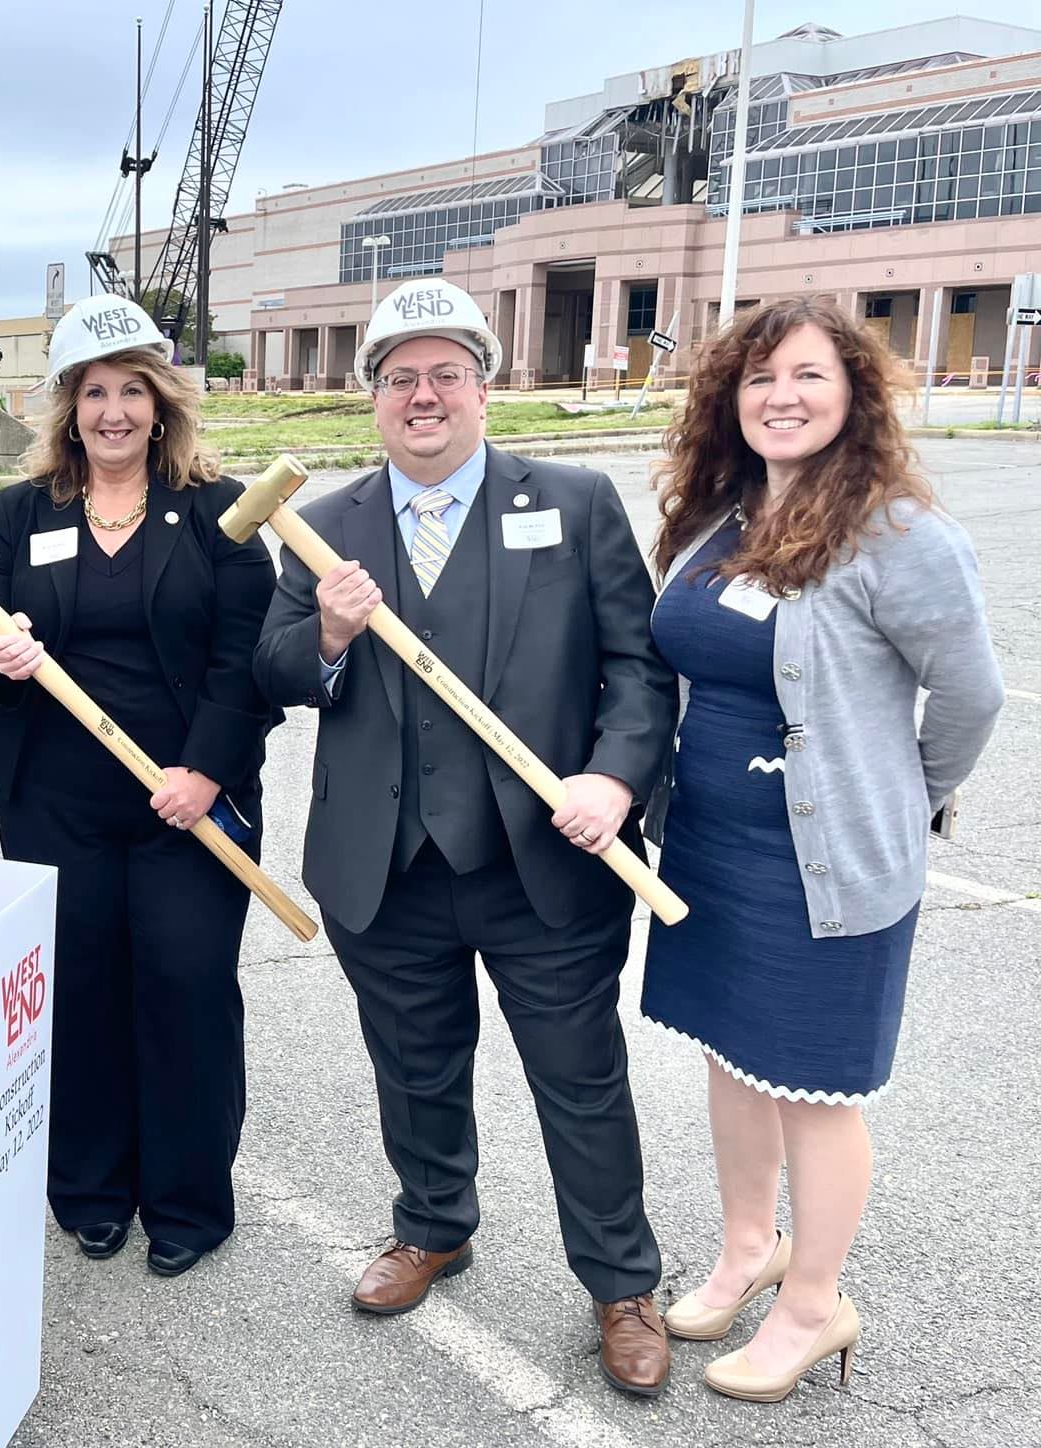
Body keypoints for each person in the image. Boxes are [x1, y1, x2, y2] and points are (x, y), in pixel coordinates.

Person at [253, 279, 678, 1396]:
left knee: (578, 1080)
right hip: (382, 865)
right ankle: (433, 1223)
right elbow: (274, 667)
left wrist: (613, 776)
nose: (423, 395)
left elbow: (636, 669)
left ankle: (620, 1282)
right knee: (413, 1064)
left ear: (483, 388)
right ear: (373, 400)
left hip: (543, 862)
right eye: (400, 378)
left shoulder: (575, 501)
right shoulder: (324, 524)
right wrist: (330, 634)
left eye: (445, 372)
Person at [641, 297, 1003, 1402]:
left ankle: (814, 1299)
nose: (779, 397)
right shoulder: (721, 512)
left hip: (825, 862)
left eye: (804, 375)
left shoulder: (897, 532)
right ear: (726, 398)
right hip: (707, 842)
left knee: (811, 1083)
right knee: (730, 1056)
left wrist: (901, 799)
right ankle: (747, 1247)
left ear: (851, 390)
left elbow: (971, 696)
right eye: (757, 379)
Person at [0, 295, 274, 1278]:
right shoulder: (21, 512)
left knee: (183, 988)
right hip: (53, 797)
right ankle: (89, 1187)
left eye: (130, 389)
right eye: (92, 390)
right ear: (66, 406)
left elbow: (245, 659)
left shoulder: (218, 512)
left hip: (184, 799)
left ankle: (186, 1197)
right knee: (78, 990)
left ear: (161, 402)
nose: (111, 411)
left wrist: (205, 770)